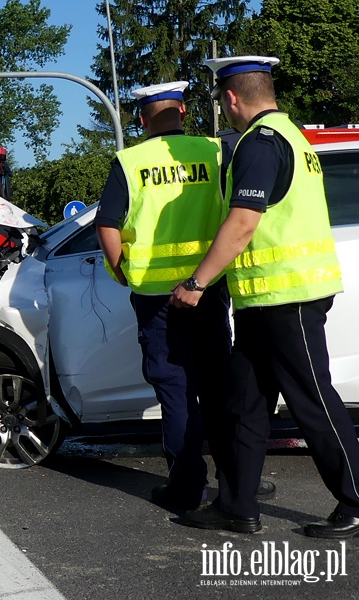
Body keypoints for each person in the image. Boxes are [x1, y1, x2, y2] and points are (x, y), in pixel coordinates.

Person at [172, 56, 359, 538]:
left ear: (231, 97)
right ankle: (236, 505)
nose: (222, 107)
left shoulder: (262, 143)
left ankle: (357, 502)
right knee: (245, 405)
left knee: (313, 403)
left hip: (287, 298)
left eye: (220, 99)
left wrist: (197, 284)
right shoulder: (294, 135)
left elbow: (243, 223)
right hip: (266, 301)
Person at [96, 81, 234, 511]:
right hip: (207, 288)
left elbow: (107, 225)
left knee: (175, 391)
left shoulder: (130, 161)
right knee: (217, 388)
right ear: (184, 111)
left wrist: (124, 273)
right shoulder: (214, 151)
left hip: (156, 296)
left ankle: (187, 487)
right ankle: (236, 485)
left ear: (141, 118)